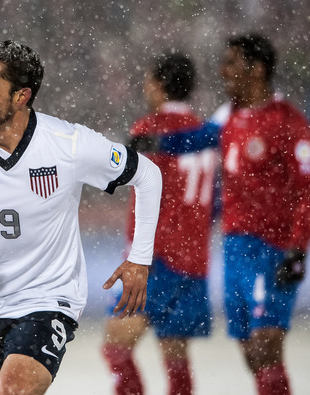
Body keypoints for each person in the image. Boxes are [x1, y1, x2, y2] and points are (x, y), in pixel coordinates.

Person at [0, 40, 162, 395]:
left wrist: (139, 258)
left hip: (46, 299)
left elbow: (147, 175)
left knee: (15, 387)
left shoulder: (67, 144)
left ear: (21, 96)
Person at [157, 33, 309, 395]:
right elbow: (193, 140)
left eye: (231, 63)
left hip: (274, 249)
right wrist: (150, 144)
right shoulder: (229, 117)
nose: (223, 70)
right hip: (235, 249)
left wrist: (298, 248)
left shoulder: (289, 123)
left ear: (256, 70)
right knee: (251, 352)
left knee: (266, 345)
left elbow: (307, 191)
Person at [101, 52, 214, 395]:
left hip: (156, 258)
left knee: (115, 348)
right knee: (176, 358)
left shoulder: (148, 130)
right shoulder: (205, 133)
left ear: (161, 85)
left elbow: (119, 176)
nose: (145, 87)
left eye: (149, 80)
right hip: (195, 259)